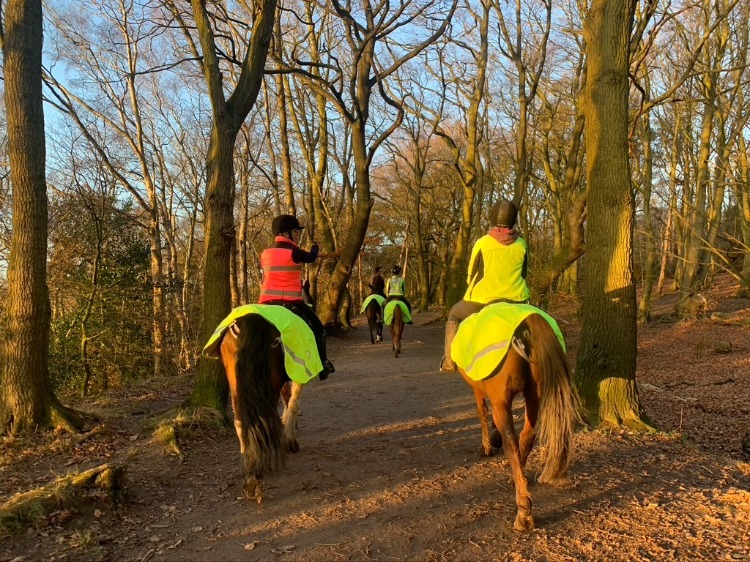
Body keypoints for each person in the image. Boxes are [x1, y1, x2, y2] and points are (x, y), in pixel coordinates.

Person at [440, 199, 530, 371]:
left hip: (483, 300)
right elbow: (524, 274)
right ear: (513, 220)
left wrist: (472, 287)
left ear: (493, 217)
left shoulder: (483, 243)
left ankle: (449, 362)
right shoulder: (522, 244)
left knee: (453, 314)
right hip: (517, 301)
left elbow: (471, 274)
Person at [259, 214, 335, 380]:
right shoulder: (293, 251)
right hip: (290, 299)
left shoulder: (264, 253)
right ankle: (322, 365)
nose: (298, 235)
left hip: (266, 301)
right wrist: (315, 247)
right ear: (286, 234)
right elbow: (311, 258)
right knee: (319, 328)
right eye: (296, 231)